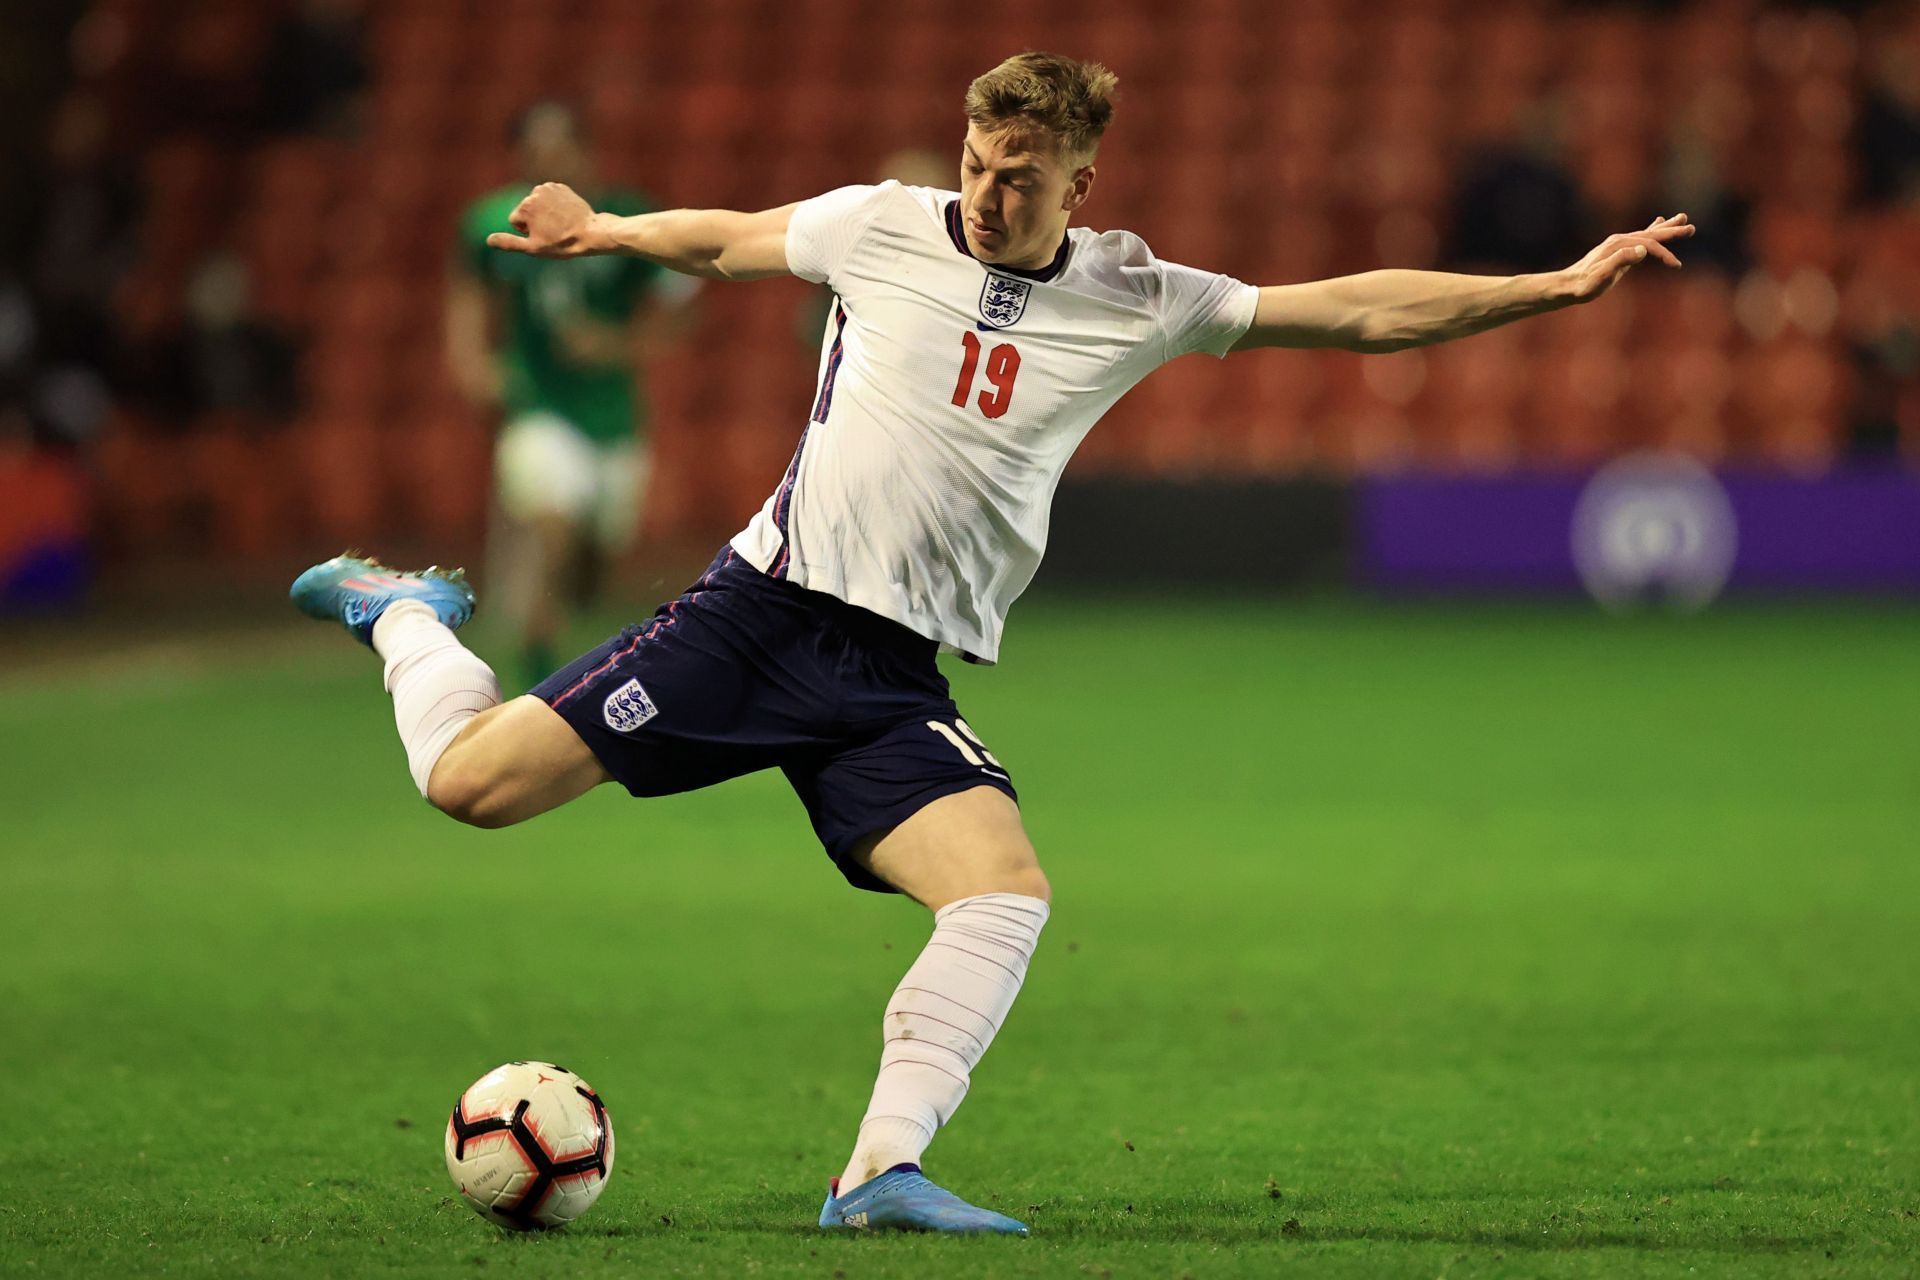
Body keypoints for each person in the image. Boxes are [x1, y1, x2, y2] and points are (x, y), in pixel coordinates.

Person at [294, 52, 1691, 1234]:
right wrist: (602, 229)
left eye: (1022, 173)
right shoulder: (881, 226)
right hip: (759, 619)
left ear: (1082, 184)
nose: (989, 189)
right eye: (979, 159)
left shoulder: (1135, 293)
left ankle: (880, 1171)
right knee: (467, 788)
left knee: (1004, 893)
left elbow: (1353, 311)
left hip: (893, 678)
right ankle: (407, 611)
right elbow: (728, 237)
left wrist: (1553, 287)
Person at [446, 100, 697, 690]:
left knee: (594, 557)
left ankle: (559, 610)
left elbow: (681, 311)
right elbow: (468, 292)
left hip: (612, 413)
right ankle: (538, 676)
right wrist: (471, 361)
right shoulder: (493, 218)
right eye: (537, 150)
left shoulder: (628, 217)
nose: (549, 161)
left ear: (587, 152)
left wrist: (616, 346)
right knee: (550, 528)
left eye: (562, 148)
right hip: (539, 404)